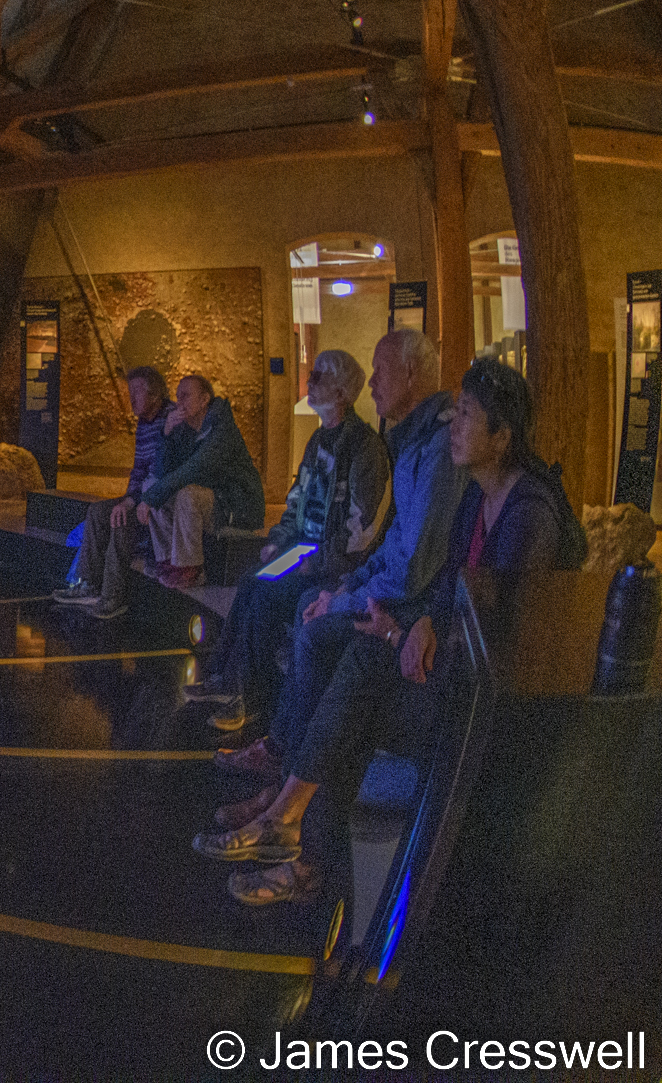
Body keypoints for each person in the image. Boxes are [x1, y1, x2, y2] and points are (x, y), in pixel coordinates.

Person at [194, 357, 575, 905]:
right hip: (456, 665)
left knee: (359, 672)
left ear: (502, 436)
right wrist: (420, 621)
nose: (455, 425)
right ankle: (291, 821)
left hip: (489, 706)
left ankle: (291, 825)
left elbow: (499, 639)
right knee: (347, 661)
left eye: (468, 415)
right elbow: (449, 581)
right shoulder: (478, 493)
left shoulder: (527, 516)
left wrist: (401, 634)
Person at [213, 329, 465, 787]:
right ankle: (246, 700)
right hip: (323, 559)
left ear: (411, 373)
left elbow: (382, 543)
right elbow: (307, 505)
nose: (373, 383)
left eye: (380, 371)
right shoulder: (389, 441)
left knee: (300, 612)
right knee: (258, 581)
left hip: (352, 572)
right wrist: (285, 543)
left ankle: (286, 754)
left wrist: (338, 585)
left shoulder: (407, 446)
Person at [186, 350, 388, 733]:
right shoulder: (317, 440)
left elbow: (361, 529)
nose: (309, 382)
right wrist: (278, 540)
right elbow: (297, 499)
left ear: (341, 393)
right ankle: (224, 678)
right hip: (303, 549)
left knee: (267, 596)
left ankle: (252, 698)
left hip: (330, 562)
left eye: (318, 376)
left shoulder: (364, 448)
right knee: (252, 581)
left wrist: (319, 563)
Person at [53, 366, 173, 620]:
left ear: (155, 394)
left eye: (137, 391)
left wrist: (132, 503)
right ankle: (88, 584)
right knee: (98, 511)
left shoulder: (170, 420)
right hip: (141, 495)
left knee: (121, 520)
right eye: (130, 391)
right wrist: (128, 499)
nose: (132, 398)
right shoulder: (144, 422)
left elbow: (162, 472)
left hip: (161, 497)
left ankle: (112, 597)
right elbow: (139, 468)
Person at [135, 375, 266, 590]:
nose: (179, 402)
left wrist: (149, 499)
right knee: (150, 486)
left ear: (204, 400)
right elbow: (161, 473)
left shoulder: (222, 430)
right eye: (177, 396)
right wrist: (166, 434)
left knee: (188, 494)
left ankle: (190, 569)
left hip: (236, 506)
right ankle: (167, 561)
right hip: (211, 501)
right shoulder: (185, 430)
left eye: (186, 396)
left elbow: (194, 468)